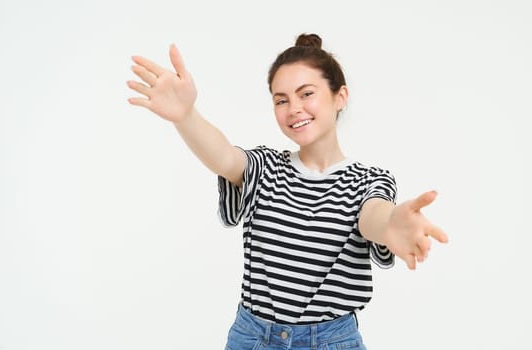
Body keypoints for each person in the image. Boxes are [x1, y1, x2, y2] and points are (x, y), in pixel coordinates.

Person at [126, 33, 448, 350]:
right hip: (254, 338)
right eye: (281, 100)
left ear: (340, 96)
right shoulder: (266, 167)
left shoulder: (369, 181)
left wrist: (393, 225)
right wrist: (186, 116)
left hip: (332, 342)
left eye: (306, 93)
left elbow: (374, 216)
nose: (294, 108)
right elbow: (224, 157)